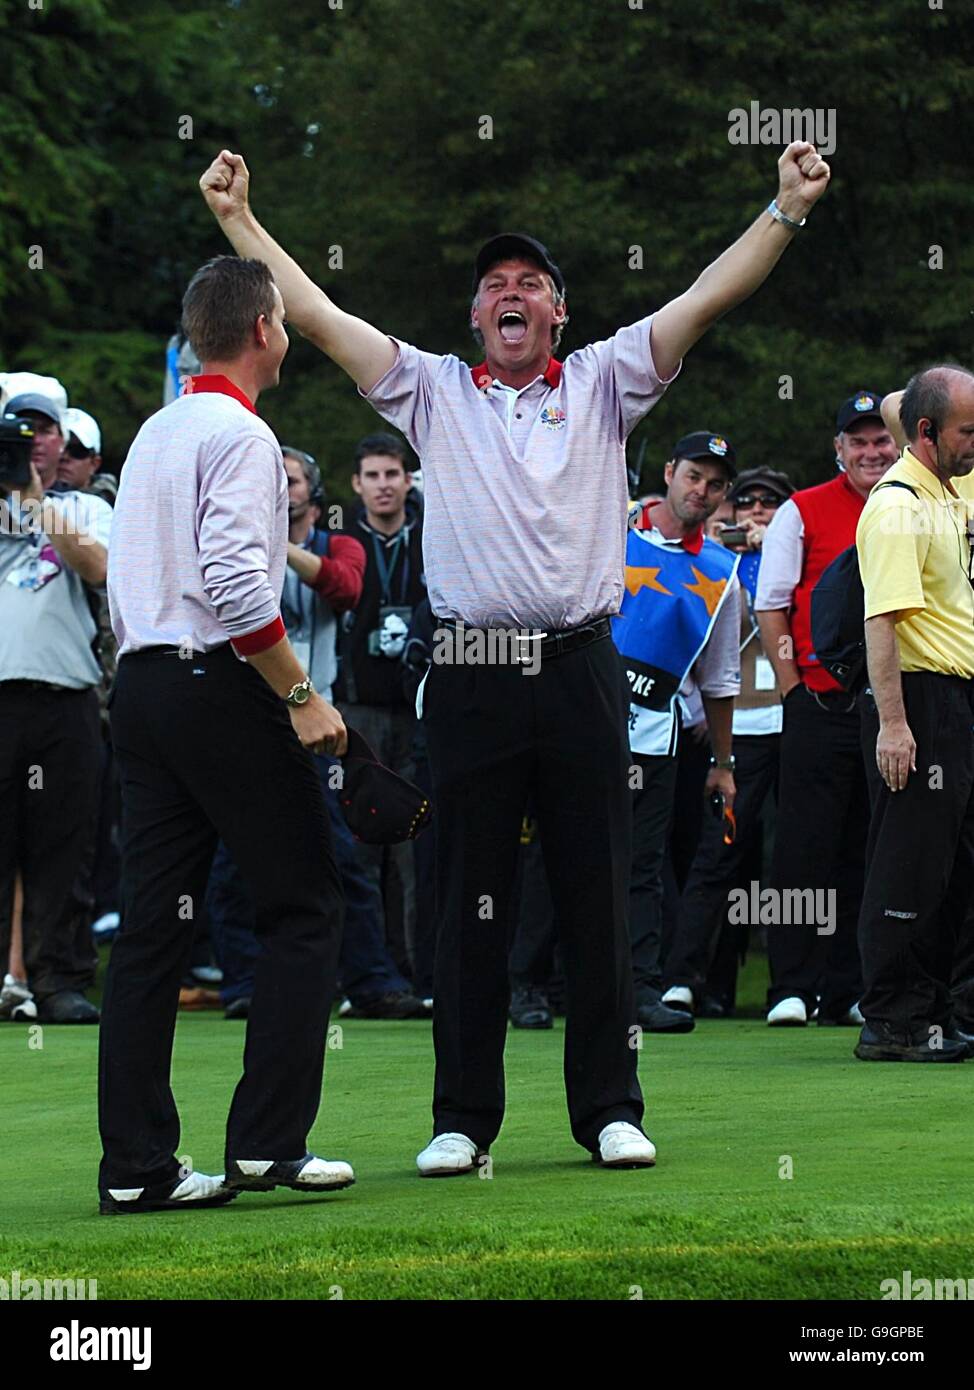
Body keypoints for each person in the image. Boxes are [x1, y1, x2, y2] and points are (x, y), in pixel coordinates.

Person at [200, 137, 832, 1175]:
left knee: (593, 887)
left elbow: (705, 297)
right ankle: (462, 1118)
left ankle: (608, 1110)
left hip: (581, 661)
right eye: (493, 283)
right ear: (472, 318)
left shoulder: (604, 381)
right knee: (468, 896)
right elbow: (311, 314)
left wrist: (785, 207)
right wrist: (239, 223)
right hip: (472, 670)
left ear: (556, 315)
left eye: (529, 284)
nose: (510, 293)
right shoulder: (429, 389)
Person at [98, 255, 353, 1214]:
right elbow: (241, 587)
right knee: (303, 904)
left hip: (146, 689)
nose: (287, 334)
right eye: (284, 319)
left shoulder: (156, 430)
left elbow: (135, 584)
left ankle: (135, 1167)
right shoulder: (244, 436)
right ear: (262, 331)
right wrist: (301, 697)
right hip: (218, 685)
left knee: (153, 927)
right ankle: (266, 1146)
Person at [755, 393, 898, 1026]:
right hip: (818, 701)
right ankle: (792, 983)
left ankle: (850, 987)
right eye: (857, 441)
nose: (871, 452)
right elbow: (772, 603)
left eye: (880, 441)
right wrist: (791, 688)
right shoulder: (802, 509)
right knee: (802, 847)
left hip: (888, 708)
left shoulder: (913, 508)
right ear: (838, 449)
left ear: (897, 446)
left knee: (870, 848)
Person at [853, 365, 974, 1063]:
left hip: (952, 700)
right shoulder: (899, 505)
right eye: (966, 431)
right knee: (908, 863)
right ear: (928, 434)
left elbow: (908, 401)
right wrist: (895, 725)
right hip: (917, 697)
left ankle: (930, 1011)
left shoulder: (945, 489)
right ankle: (892, 1019)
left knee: (950, 864)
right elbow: (883, 623)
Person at [617, 433, 742, 1034]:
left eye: (716, 485)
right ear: (669, 471)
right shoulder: (607, 526)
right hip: (576, 721)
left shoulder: (723, 572)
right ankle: (533, 985)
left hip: (655, 736)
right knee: (549, 856)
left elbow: (720, 679)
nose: (703, 491)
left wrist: (724, 761)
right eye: (694, 475)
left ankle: (641, 989)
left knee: (643, 866)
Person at [662, 466, 794, 1014]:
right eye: (748, 502)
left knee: (792, 861)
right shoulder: (715, 562)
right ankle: (687, 979)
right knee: (717, 855)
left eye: (772, 503)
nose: (758, 511)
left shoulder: (796, 556)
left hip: (793, 721)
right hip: (736, 729)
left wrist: (772, 555)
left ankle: (794, 987)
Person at [0, 388, 110, 1024]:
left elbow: (97, 570)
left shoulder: (86, 509)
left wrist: (35, 502)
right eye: (19, 433)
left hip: (64, 695)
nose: (33, 442)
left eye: (42, 431)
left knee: (63, 848)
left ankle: (59, 979)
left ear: (60, 442)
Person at [335, 433, 426, 977]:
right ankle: (365, 976)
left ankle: (421, 975)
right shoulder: (341, 541)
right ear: (357, 484)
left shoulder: (432, 539)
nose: (383, 485)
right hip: (358, 711)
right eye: (372, 476)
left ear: (407, 479)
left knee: (416, 847)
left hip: (416, 709)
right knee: (361, 844)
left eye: (392, 474)